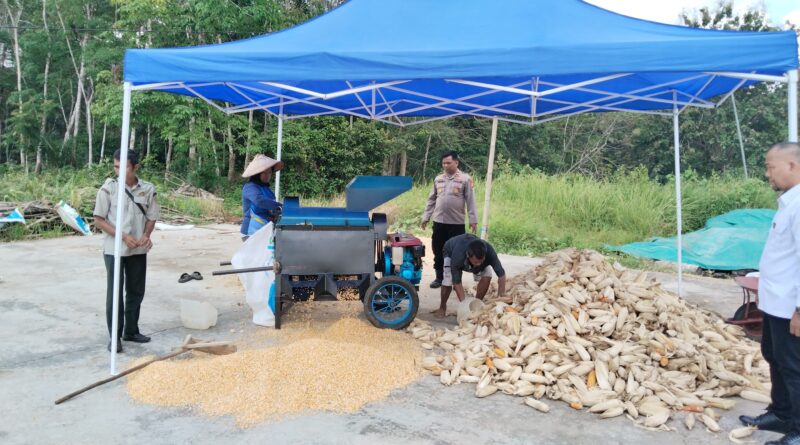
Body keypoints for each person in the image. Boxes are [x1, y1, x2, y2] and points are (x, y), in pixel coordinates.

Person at [739, 142, 800, 445]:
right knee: (775, 357)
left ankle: (798, 430)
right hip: (776, 302)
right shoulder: (789, 202)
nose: (767, 173)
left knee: (794, 367)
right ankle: (781, 413)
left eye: (770, 166)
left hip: (791, 307)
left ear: (792, 166)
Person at [93, 149, 160, 353]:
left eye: (124, 168)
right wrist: (123, 236)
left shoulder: (147, 189)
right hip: (114, 249)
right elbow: (98, 220)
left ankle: (131, 330)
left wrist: (146, 236)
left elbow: (151, 216)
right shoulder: (108, 189)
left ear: (135, 167)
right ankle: (115, 337)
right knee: (115, 293)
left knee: (136, 291)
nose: (118, 171)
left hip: (138, 250)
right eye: (115, 167)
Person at [421, 150, 478, 289]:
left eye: (448, 163)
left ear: (456, 162)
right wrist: (426, 217)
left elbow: (471, 200)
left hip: (456, 224)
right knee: (438, 250)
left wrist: (473, 220)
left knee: (457, 252)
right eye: (443, 163)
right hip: (439, 222)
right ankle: (439, 278)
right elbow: (431, 199)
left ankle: (454, 280)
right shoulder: (438, 179)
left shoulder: (465, 179)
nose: (445, 165)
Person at [433, 233, 506, 319]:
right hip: (450, 250)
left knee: (488, 275)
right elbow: (457, 282)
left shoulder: (489, 252)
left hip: (470, 248)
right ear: (468, 255)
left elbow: (501, 275)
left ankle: (477, 303)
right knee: (448, 280)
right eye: (476, 262)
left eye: (481, 261)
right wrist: (465, 306)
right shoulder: (458, 256)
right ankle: (442, 307)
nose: (478, 264)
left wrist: (500, 299)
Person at [241, 154, 284, 240]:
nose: (268, 175)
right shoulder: (250, 187)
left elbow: (269, 208)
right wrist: (279, 206)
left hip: (265, 230)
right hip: (251, 232)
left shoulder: (266, 188)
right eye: (265, 173)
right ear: (257, 174)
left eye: (270, 172)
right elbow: (259, 200)